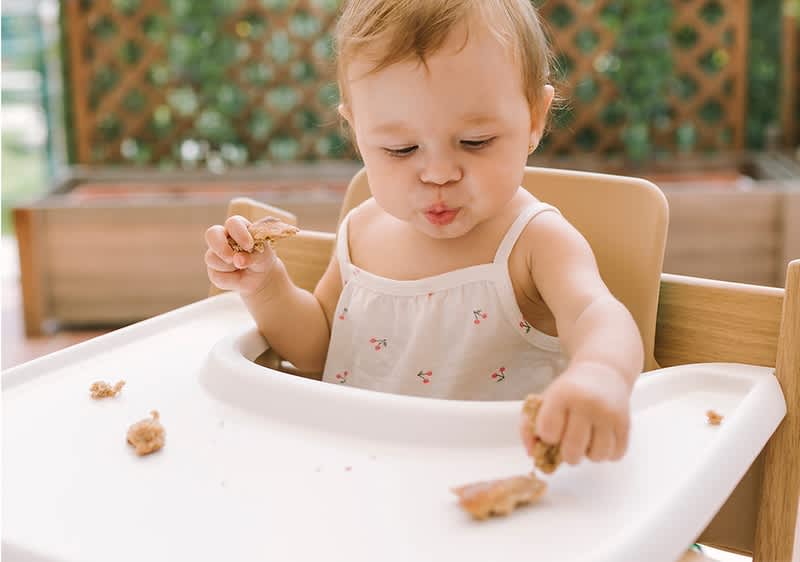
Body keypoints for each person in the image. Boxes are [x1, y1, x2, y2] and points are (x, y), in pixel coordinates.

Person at [204, 0, 644, 467]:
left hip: (495, 491)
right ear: (357, 132)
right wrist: (267, 286)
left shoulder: (534, 243)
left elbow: (596, 314)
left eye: (475, 142)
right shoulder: (362, 231)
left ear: (534, 118)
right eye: (401, 148)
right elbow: (317, 348)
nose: (437, 173)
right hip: (357, 478)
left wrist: (599, 373)